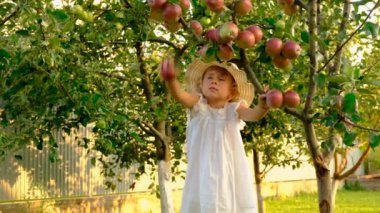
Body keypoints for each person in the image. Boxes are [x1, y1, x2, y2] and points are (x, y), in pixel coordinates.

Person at [160, 58, 269, 213]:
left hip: (230, 169)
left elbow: (254, 115)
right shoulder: (198, 105)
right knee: (204, 200)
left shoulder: (234, 109)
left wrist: (262, 107)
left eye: (221, 79)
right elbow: (180, 96)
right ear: (201, 85)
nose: (214, 82)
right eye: (209, 77)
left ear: (231, 92)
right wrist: (171, 81)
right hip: (202, 170)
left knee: (232, 201)